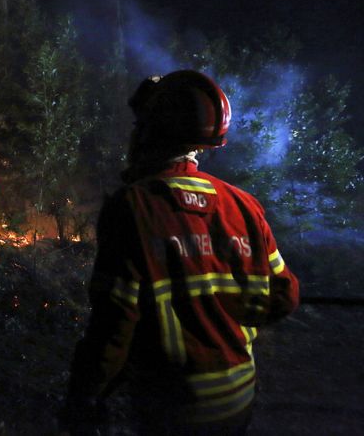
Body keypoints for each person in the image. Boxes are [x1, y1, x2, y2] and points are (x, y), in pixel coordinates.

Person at [61, 70, 300, 435]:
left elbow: (114, 324)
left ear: (150, 132)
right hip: (239, 396)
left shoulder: (134, 206)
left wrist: (84, 397)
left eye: (139, 125)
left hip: (173, 404)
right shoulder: (244, 206)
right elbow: (283, 297)